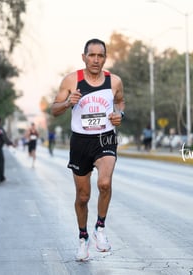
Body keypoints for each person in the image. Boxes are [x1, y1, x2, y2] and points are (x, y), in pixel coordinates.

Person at [51, 38, 125, 261]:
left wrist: (119, 115)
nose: (96, 60)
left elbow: (120, 102)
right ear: (84, 57)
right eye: (91, 55)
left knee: (104, 183)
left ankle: (99, 228)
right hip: (80, 142)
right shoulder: (72, 80)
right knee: (83, 197)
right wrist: (67, 103)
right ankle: (83, 238)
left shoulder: (114, 81)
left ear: (105, 58)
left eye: (100, 56)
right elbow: (54, 109)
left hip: (105, 139)